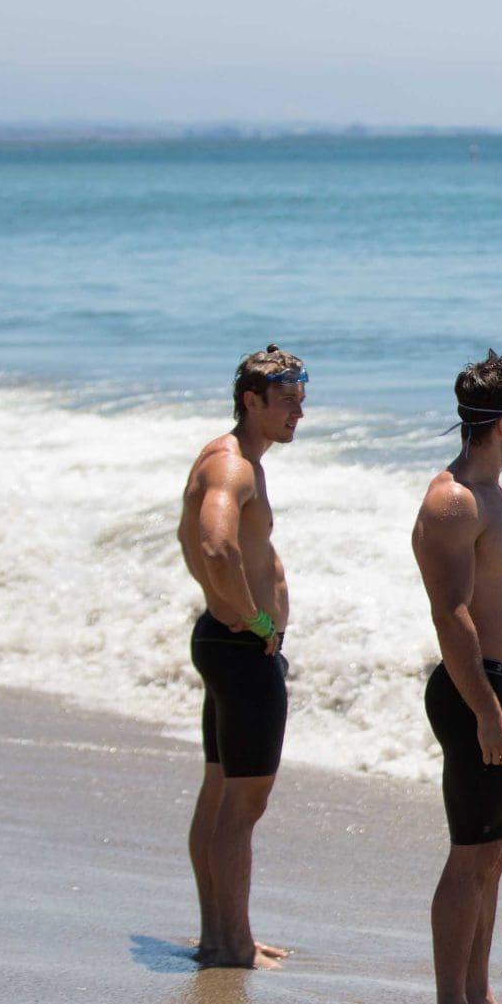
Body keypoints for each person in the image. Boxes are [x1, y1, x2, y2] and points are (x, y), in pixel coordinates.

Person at [410, 350, 502, 1004]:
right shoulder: (453, 501)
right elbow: (453, 615)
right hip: (478, 694)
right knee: (471, 853)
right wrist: (489, 713)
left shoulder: (496, 491)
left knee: (496, 851)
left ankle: (480, 995)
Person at [176, 344, 307, 969]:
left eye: (301, 402)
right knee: (243, 806)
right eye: (286, 402)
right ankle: (230, 944)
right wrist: (254, 618)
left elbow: (192, 543)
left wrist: (223, 606)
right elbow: (215, 545)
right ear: (251, 401)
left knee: (220, 795)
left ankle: (222, 934)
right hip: (241, 649)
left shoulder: (228, 458)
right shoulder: (233, 468)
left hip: (223, 641)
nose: (297, 414)